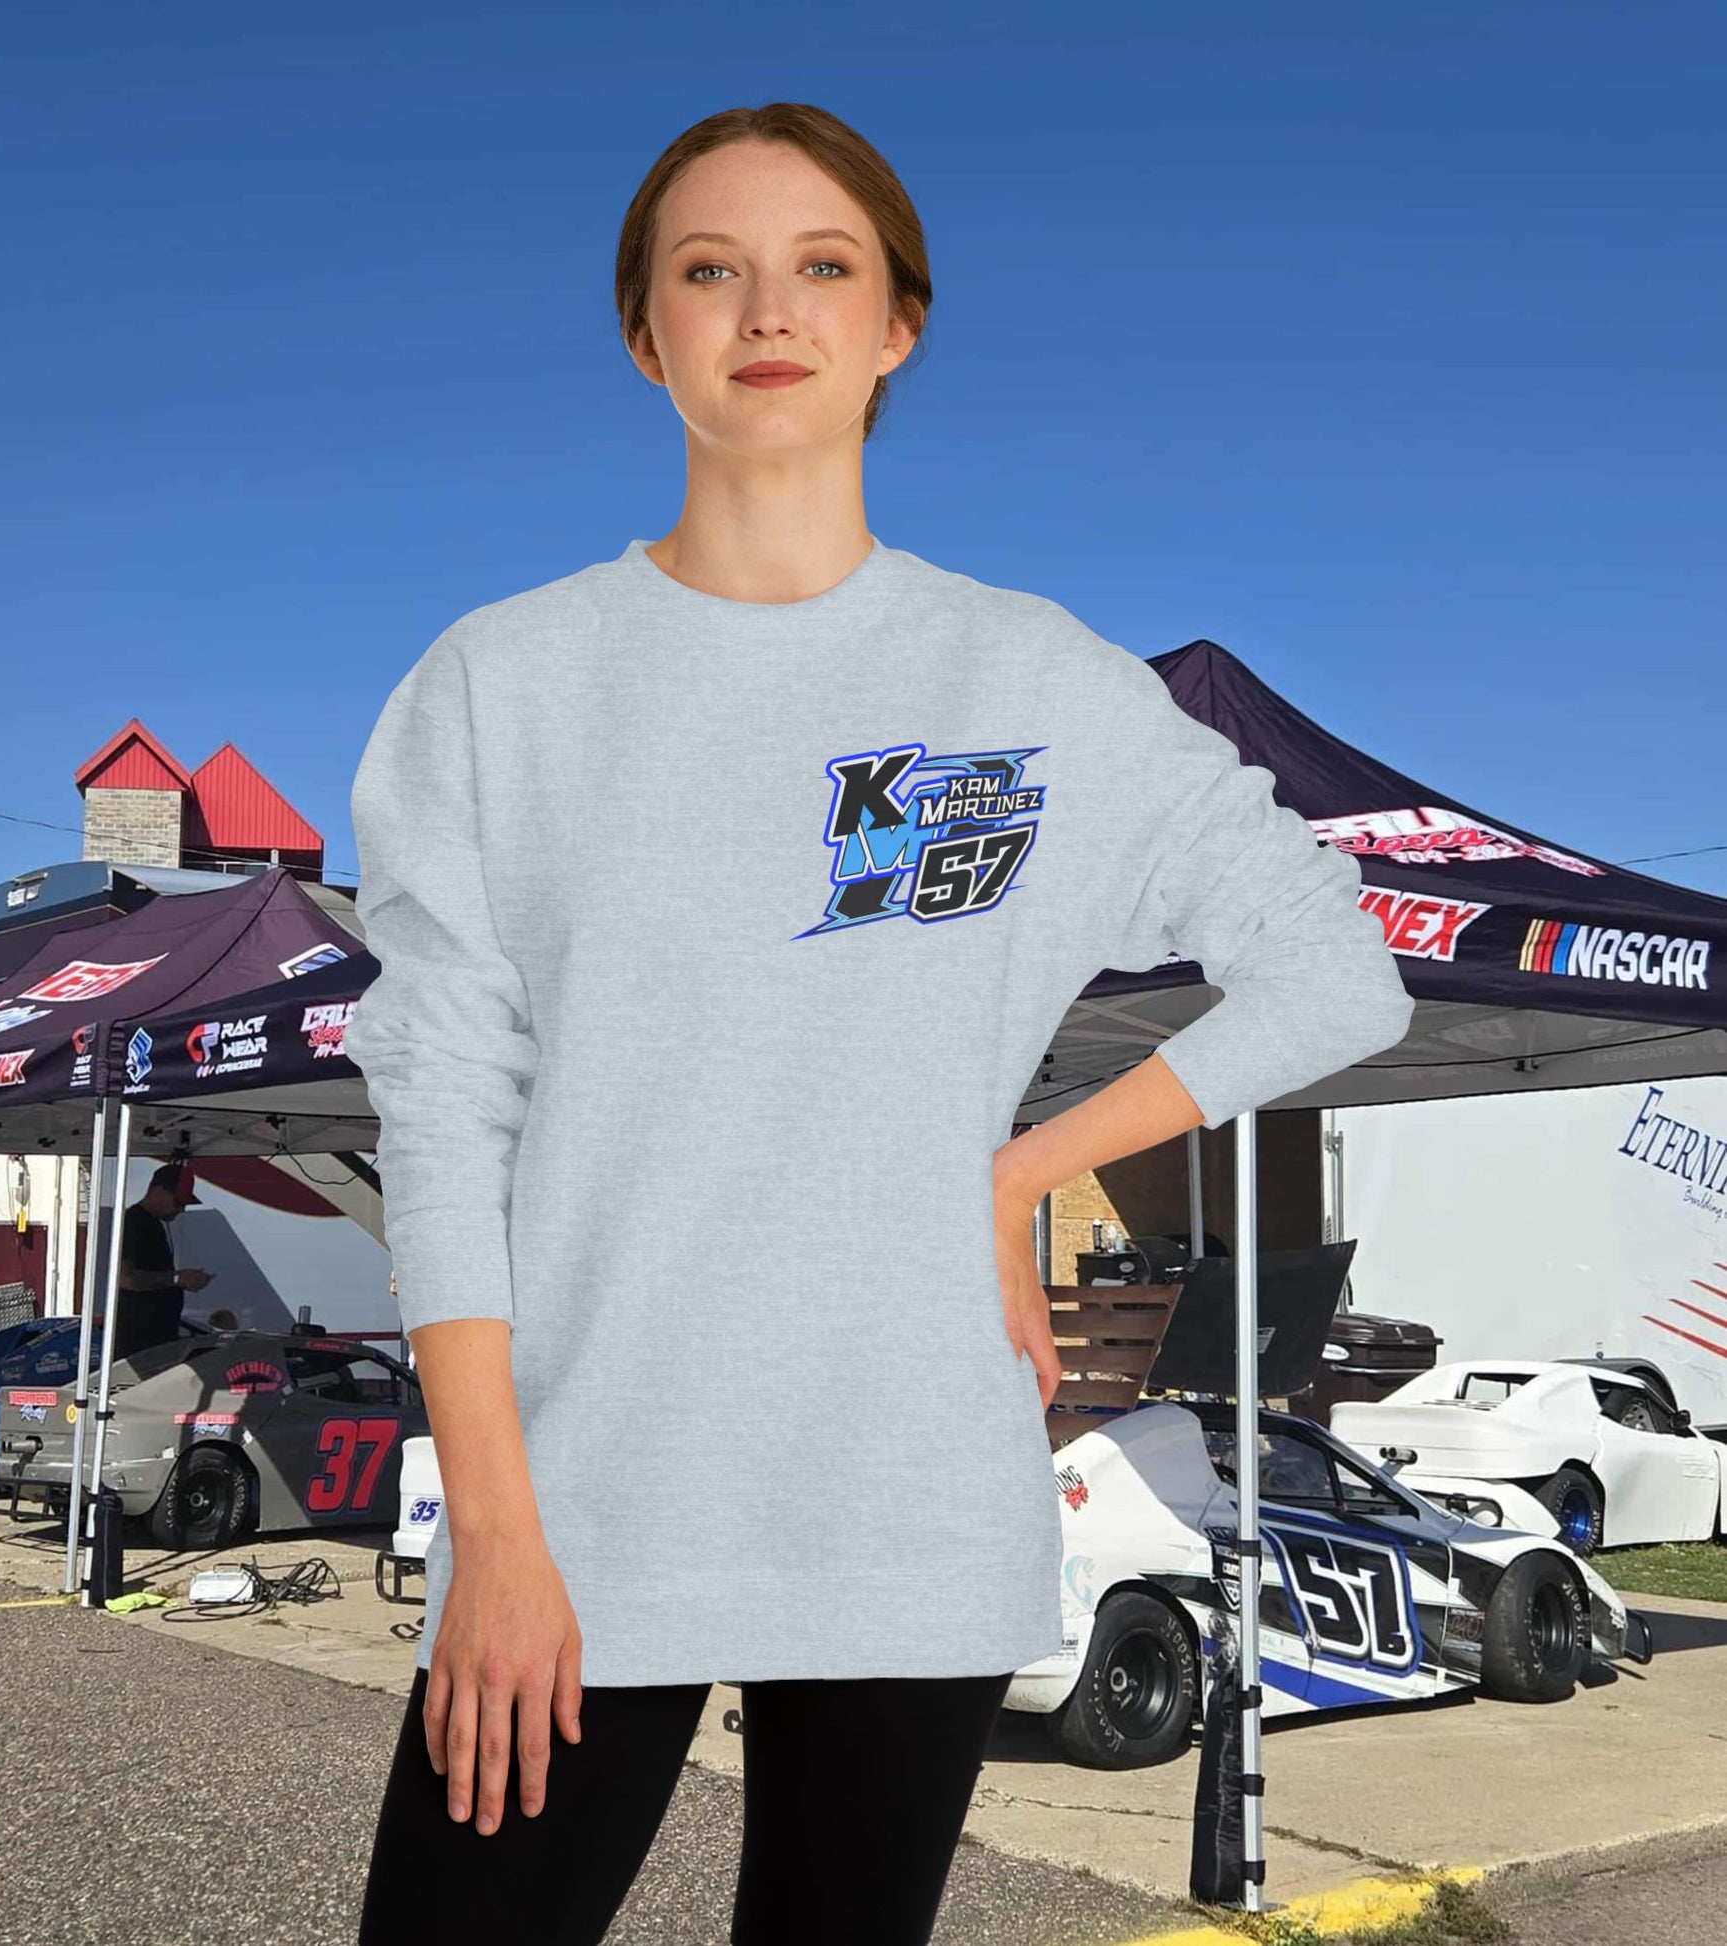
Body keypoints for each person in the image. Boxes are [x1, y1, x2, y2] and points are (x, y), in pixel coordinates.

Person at [345, 104, 1415, 1946]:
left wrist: (1021, 1169)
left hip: (913, 1496)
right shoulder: (500, 684)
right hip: (587, 1501)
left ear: (897, 322)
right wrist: (494, 1532)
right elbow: (445, 1109)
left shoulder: (1031, 683)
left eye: (821, 266)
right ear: (645, 334)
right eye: (710, 270)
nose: (768, 310)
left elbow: (1335, 967)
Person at [115, 1161, 214, 1357]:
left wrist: (179, 1280)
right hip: (140, 1344)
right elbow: (126, 1279)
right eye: (178, 1202)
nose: (181, 1210)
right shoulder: (135, 1222)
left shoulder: (151, 1224)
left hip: (156, 1339)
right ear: (158, 1192)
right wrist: (178, 1279)